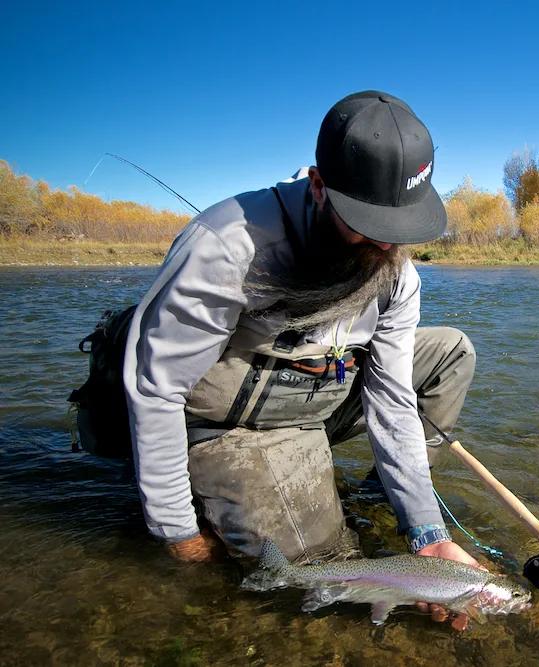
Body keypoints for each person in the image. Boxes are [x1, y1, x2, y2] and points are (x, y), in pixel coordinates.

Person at [123, 92, 481, 624]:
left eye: (399, 228)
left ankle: (383, 495)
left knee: (451, 351)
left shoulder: (397, 273)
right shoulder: (226, 248)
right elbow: (156, 390)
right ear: (319, 187)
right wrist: (176, 530)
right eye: (369, 223)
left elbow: (392, 397)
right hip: (233, 423)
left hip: (323, 395)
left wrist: (426, 533)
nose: (386, 246)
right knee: (320, 575)